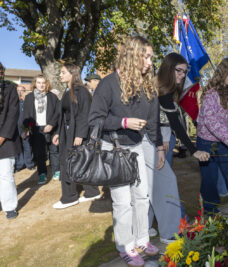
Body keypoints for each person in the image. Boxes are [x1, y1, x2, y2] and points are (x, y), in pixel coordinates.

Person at [89, 36, 160, 266]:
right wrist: (124, 122)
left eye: (151, 57)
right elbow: (95, 120)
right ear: (133, 55)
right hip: (114, 148)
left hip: (137, 147)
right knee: (122, 201)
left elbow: (153, 121)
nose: (149, 62)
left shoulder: (147, 85)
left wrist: (158, 146)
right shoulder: (108, 83)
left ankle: (141, 240)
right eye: (146, 56)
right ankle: (125, 247)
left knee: (142, 197)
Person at [146, 52, 209, 244]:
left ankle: (157, 227)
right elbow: (160, 121)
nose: (183, 75)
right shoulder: (153, 88)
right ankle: (169, 229)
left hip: (159, 141)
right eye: (179, 70)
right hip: (148, 142)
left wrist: (190, 148)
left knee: (156, 185)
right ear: (168, 67)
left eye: (185, 71)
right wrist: (192, 149)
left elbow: (174, 123)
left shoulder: (168, 89)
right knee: (163, 183)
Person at [197, 57, 228, 216]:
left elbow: (225, 120)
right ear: (222, 71)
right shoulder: (211, 93)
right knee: (209, 180)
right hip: (206, 143)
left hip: (222, 141)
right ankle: (210, 213)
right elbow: (210, 121)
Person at [52, 63, 101, 209]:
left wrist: (80, 134)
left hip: (77, 134)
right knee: (79, 162)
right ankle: (92, 192)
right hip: (68, 133)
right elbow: (64, 115)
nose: (60, 75)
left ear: (72, 74)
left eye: (63, 72)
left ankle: (69, 197)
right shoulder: (69, 90)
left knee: (70, 163)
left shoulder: (81, 91)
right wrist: (57, 133)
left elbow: (84, 114)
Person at [22, 75, 60, 184]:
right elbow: (26, 115)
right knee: (40, 153)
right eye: (39, 82)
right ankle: (42, 174)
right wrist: (25, 129)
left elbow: (58, 112)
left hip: (51, 127)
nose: (41, 85)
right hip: (37, 128)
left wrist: (51, 124)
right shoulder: (29, 97)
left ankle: (56, 171)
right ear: (35, 84)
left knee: (54, 150)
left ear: (46, 83)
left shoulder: (52, 97)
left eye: (43, 82)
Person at [0, 61, 21, 219]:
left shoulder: (10, 89)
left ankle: (9, 207)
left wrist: (2, 137)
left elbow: (12, 116)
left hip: (5, 140)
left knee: (5, 175)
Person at [15, 85, 35, 172]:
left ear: (24, 92)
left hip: (24, 126)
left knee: (27, 145)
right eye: (18, 90)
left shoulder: (28, 102)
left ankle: (29, 164)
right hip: (15, 127)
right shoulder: (13, 103)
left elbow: (31, 117)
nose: (20, 92)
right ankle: (19, 165)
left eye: (22, 90)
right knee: (17, 147)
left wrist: (27, 129)